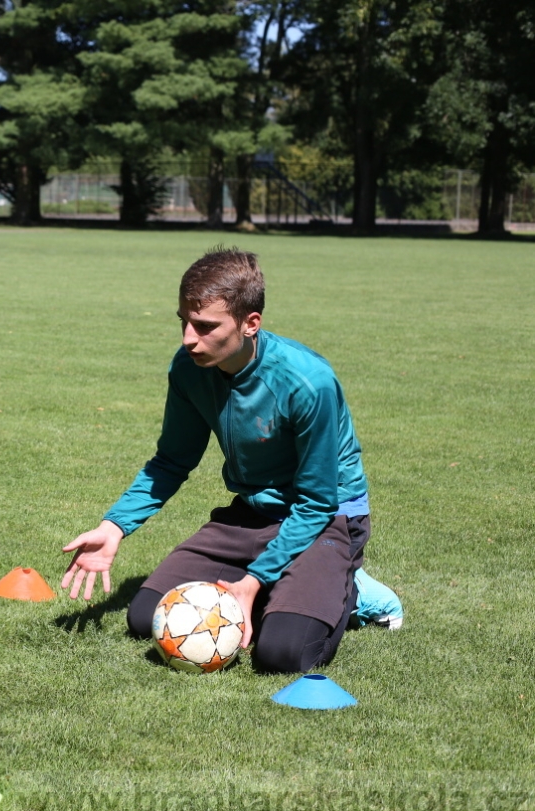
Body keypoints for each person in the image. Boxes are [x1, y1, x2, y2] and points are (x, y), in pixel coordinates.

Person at [61, 248, 402, 674]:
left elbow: (317, 500)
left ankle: (349, 588)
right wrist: (114, 527)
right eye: (184, 321)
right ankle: (285, 586)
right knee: (145, 615)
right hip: (251, 515)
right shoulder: (189, 368)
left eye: (205, 327)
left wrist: (253, 581)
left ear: (249, 323)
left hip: (327, 516)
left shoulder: (307, 383)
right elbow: (171, 460)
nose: (188, 337)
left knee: (281, 653)